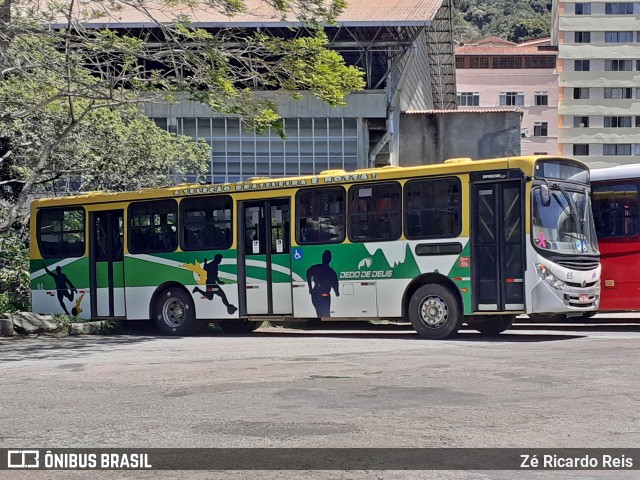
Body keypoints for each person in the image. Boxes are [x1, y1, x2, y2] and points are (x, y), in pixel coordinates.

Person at [306, 250, 340, 317]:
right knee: (325, 314)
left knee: (320, 313)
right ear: (330, 259)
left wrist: (310, 288)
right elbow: (335, 286)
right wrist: (336, 292)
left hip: (316, 294)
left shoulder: (316, 268)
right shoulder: (331, 272)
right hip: (324, 295)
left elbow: (308, 273)